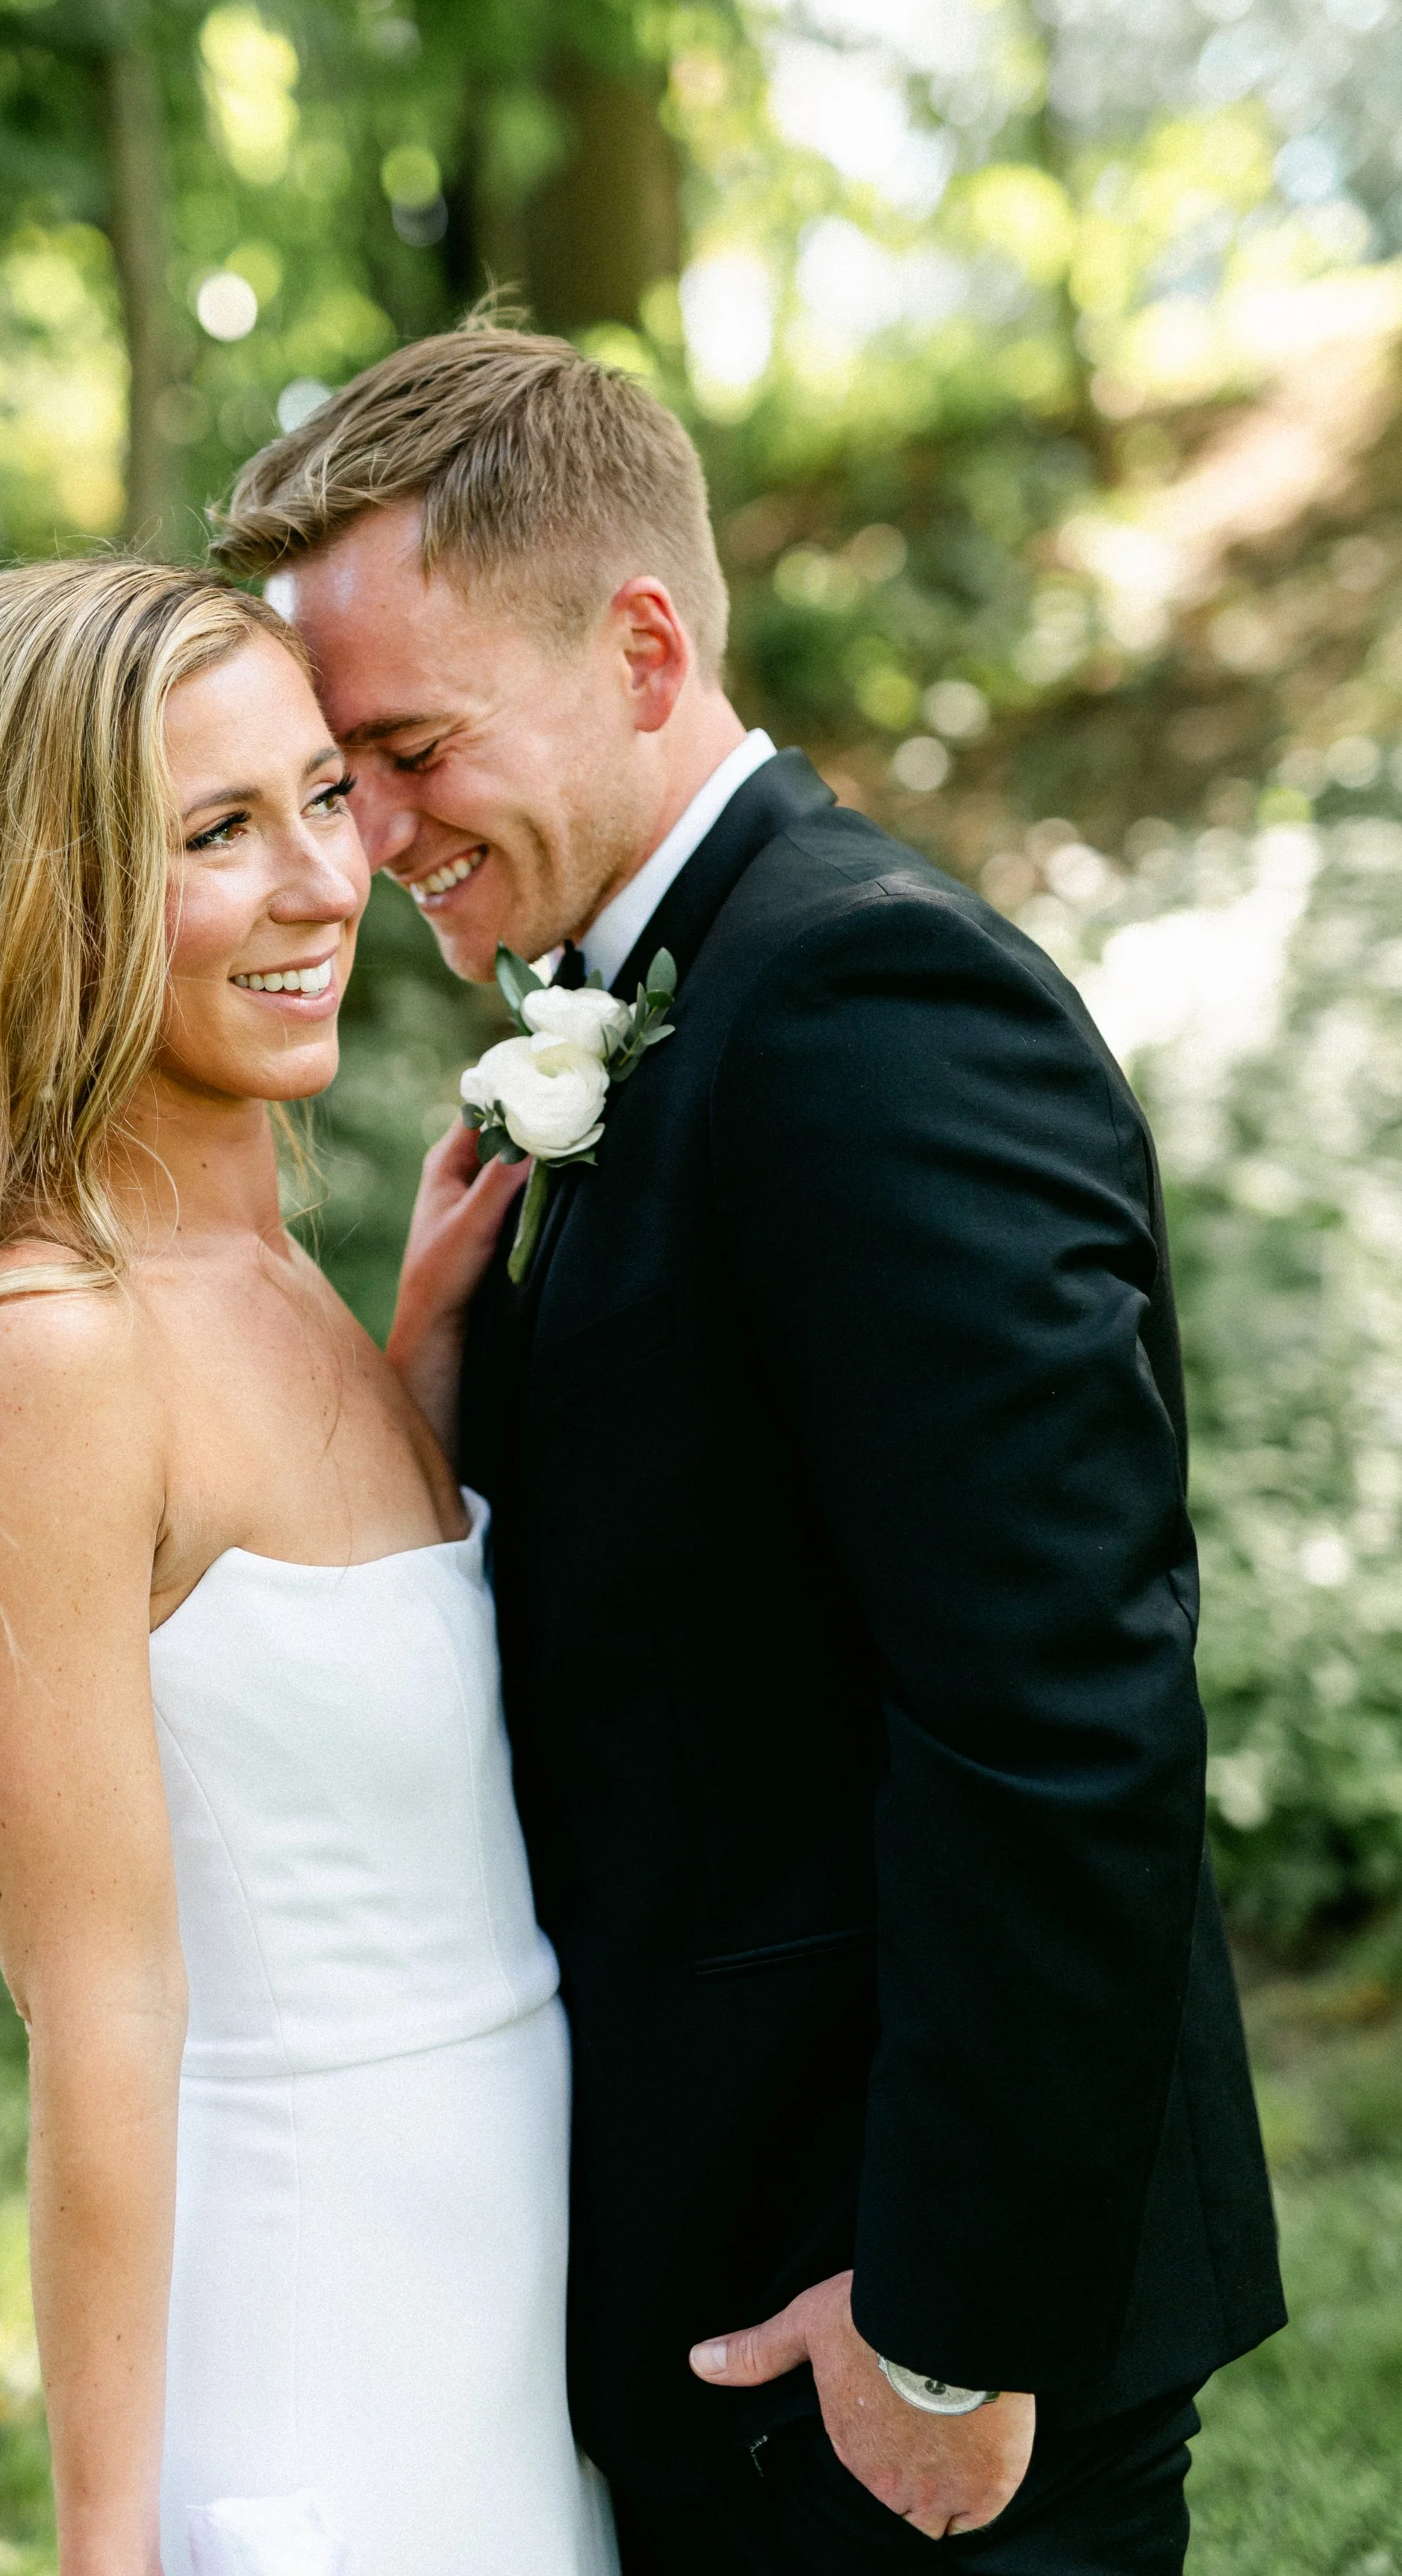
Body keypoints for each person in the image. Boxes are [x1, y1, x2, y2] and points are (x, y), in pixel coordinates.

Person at [216, 322, 1289, 2575]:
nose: (369, 840)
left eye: (407, 750)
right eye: (336, 772)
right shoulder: (648, 1007)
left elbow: (1057, 1712)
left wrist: (938, 2321)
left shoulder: (871, 1005)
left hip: (900, 2324)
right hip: (736, 2276)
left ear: (638, 646)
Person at [0, 558, 614, 2576]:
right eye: (214, 834)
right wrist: (109, 2540)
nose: (324, 884)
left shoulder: (274, 1278)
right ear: (42, 899)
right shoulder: (42, 1346)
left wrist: (419, 1377)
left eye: (323, 797)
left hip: (514, 2304)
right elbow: (95, 2001)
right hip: (319, 2336)